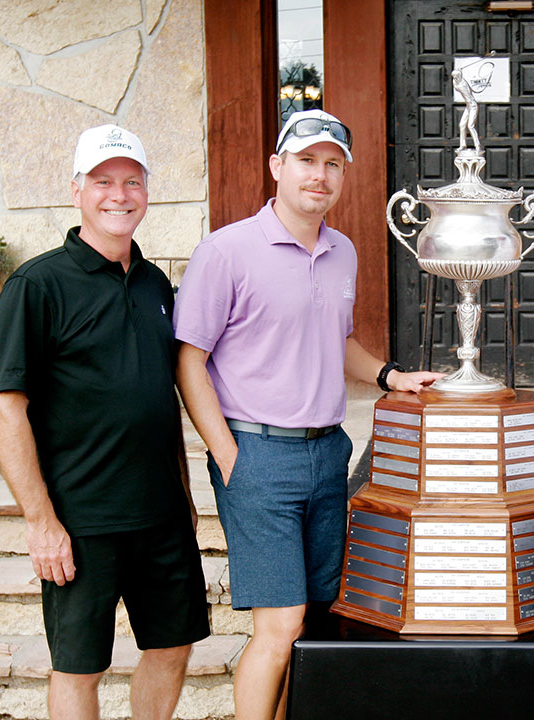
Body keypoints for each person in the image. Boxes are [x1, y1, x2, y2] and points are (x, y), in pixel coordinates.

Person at [174, 108, 441, 720]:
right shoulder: (226, 251)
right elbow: (190, 361)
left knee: (315, 618)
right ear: (277, 167)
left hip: (328, 453)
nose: (318, 175)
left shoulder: (342, 250)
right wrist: (227, 455)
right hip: (257, 454)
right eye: (305, 161)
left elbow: (335, 338)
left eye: (332, 164)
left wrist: (388, 376)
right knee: (281, 621)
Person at [0, 125, 210, 720]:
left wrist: (185, 496)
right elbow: (7, 407)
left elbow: (160, 398)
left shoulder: (156, 283)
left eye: (132, 181)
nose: (120, 194)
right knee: (79, 668)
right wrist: (41, 521)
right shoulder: (37, 285)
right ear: (77, 191)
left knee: (173, 648)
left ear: (147, 192)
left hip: (161, 514)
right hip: (81, 519)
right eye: (103, 181)